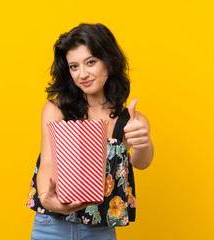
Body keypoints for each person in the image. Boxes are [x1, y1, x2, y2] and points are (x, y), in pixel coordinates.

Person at [26, 23, 154, 240]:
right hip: (51, 224)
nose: (82, 74)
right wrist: (47, 198)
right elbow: (48, 162)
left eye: (91, 62)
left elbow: (141, 162)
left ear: (109, 63)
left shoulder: (131, 119)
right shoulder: (55, 110)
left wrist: (143, 142)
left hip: (101, 229)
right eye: (74, 66)